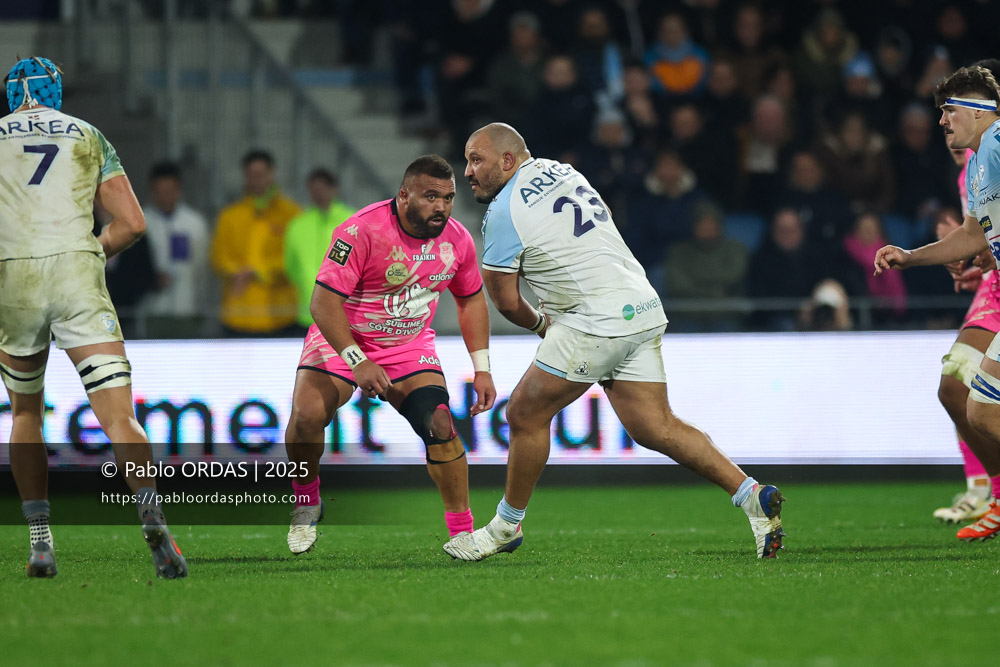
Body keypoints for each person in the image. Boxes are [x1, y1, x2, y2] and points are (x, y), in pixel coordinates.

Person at [446, 123, 785, 562]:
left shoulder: (504, 212)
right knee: (654, 426)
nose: (468, 171)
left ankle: (505, 527)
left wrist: (541, 325)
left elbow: (505, 300)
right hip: (640, 305)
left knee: (525, 412)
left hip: (595, 318)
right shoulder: (564, 171)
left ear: (508, 161)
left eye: (477, 160)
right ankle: (751, 495)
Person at [0, 57, 186, 578]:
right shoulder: (87, 135)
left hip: (13, 277)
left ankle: (40, 539)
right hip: (76, 271)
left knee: (24, 415)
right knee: (118, 416)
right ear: (55, 92)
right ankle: (153, 518)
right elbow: (131, 224)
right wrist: (91, 252)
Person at [284, 155, 496, 555]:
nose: (442, 207)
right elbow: (322, 304)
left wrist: (481, 368)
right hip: (342, 338)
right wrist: (357, 360)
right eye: (431, 197)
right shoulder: (361, 230)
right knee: (308, 414)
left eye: (448, 198)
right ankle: (307, 500)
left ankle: (462, 532)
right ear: (403, 195)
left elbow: (471, 301)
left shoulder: (458, 240)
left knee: (440, 424)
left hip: (408, 346)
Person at [874, 65, 1000, 541]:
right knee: (979, 409)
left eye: (948, 111)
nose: (942, 122)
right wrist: (910, 257)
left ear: (976, 109)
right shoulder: (981, 163)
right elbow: (970, 234)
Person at [210, 149, 301, 337]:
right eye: (251, 174)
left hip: (280, 314)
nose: (256, 179)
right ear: (244, 176)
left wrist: (258, 271)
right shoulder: (230, 216)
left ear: (271, 173)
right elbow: (219, 257)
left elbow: (295, 259)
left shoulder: (292, 214)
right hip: (238, 313)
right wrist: (237, 271)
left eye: (261, 174)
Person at [142, 161, 212, 338]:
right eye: (159, 192)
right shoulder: (142, 222)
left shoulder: (194, 223)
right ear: (152, 191)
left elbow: (201, 267)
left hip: (186, 309)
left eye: (169, 191)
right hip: (153, 310)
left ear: (178, 190)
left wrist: (200, 306)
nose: (164, 197)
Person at [283, 168, 355, 332]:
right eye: (314, 189)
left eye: (322, 188)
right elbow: (291, 268)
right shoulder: (297, 225)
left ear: (334, 189)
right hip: (307, 314)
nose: (318, 194)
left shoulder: (352, 221)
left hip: (345, 314)